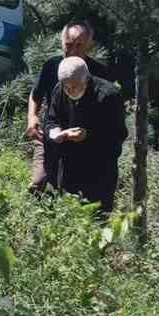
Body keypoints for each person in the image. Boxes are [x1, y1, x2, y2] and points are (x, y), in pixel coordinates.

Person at [27, 21, 108, 194]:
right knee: (37, 184)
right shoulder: (51, 66)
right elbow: (35, 95)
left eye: (79, 46)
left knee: (69, 190)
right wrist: (32, 118)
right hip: (50, 134)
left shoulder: (98, 73)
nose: (73, 51)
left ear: (88, 46)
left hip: (81, 142)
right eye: (68, 45)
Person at [46, 56, 127, 216]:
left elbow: (118, 135)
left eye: (75, 86)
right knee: (68, 220)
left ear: (87, 77)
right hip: (69, 169)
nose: (70, 91)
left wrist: (88, 135)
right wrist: (55, 133)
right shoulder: (59, 90)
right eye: (66, 87)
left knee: (97, 222)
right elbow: (51, 120)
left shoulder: (108, 95)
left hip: (99, 172)